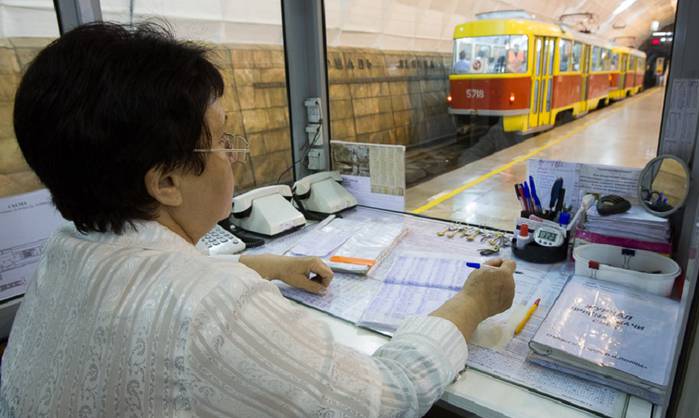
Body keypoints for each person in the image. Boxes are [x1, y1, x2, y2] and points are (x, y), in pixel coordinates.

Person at [1, 22, 516, 417]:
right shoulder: (212, 307)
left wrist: (266, 265)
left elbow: (156, 281)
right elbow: (383, 397)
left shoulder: (66, 249)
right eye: (222, 140)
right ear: (166, 183)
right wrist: (471, 304)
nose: (233, 154)